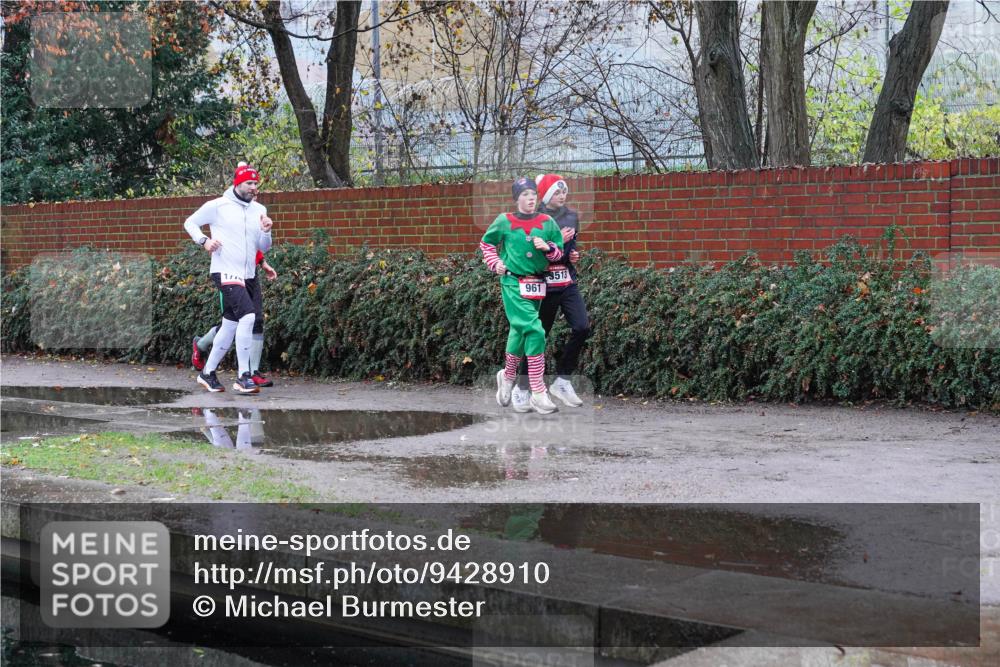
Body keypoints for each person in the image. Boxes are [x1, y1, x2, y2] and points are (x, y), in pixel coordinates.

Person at [184, 162, 273, 394]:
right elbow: (190, 222)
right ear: (238, 183)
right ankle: (244, 376)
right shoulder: (218, 206)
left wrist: (266, 231)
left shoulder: (259, 210)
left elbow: (263, 247)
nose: (254, 187)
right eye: (249, 183)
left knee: (230, 325)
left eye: (255, 183)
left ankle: (207, 373)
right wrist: (204, 241)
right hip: (224, 270)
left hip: (248, 274)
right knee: (248, 316)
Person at [480, 177, 564, 414]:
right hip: (512, 283)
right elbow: (486, 244)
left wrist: (548, 248)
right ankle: (537, 390)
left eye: (533, 195)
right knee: (535, 330)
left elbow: (558, 253)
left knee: (519, 330)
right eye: (525, 195)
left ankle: (507, 377)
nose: (530, 199)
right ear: (517, 198)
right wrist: (495, 262)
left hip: (537, 284)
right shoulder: (504, 221)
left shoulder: (547, 222)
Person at [511, 174, 590, 411]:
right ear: (546, 195)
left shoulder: (572, 216)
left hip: (566, 281)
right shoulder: (537, 218)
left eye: (564, 192)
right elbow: (531, 254)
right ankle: (521, 388)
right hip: (543, 283)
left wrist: (571, 253)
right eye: (557, 192)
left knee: (582, 327)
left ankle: (562, 381)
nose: (562, 196)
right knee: (538, 335)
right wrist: (558, 245)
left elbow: (570, 250)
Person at [191, 250, 277, 388]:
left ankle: (252, 372)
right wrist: (205, 241)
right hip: (229, 272)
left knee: (256, 319)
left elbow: (252, 238)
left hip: (250, 272)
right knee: (233, 321)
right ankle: (201, 345)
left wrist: (261, 261)